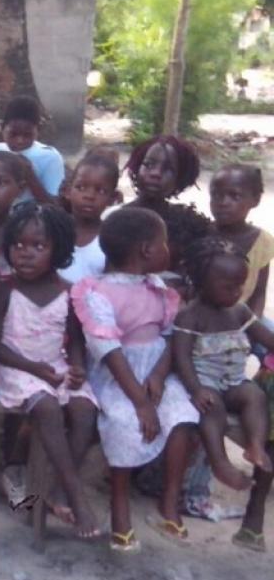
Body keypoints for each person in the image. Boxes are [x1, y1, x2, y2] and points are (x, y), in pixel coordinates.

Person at [71, 207, 199, 551]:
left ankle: (168, 501)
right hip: (117, 378)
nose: (168, 250)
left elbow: (170, 336)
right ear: (146, 250)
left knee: (183, 416)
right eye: (164, 243)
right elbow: (108, 350)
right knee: (124, 424)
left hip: (155, 374)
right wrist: (140, 402)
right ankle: (119, 508)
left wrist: (158, 375)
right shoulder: (96, 291)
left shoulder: (157, 288)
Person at [0, 202, 100, 538]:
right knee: (48, 406)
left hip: (55, 365)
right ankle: (77, 498)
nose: (26, 253)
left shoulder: (68, 292)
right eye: (18, 244)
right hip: (16, 368)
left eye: (38, 246)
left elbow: (76, 340)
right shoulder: (5, 290)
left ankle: (54, 491)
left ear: (59, 249)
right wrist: (33, 368)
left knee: (85, 410)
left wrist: (78, 367)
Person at [173, 237, 274, 491]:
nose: (237, 292)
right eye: (228, 287)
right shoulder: (191, 316)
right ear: (201, 283)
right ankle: (220, 463)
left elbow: (266, 338)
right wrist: (196, 389)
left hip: (234, 381)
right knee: (212, 409)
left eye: (240, 285)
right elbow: (181, 357)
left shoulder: (239, 311)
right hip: (205, 382)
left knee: (255, 396)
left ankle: (255, 446)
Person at [124, 134, 212, 284]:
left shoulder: (189, 226)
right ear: (137, 167)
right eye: (148, 164)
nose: (155, 173)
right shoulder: (114, 217)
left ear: (180, 178)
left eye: (168, 169)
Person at [209, 164, 271, 314]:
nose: (223, 202)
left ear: (256, 200)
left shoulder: (262, 242)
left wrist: (251, 322)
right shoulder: (200, 232)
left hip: (240, 317)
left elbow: (259, 292)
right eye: (216, 195)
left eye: (235, 196)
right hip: (201, 315)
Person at [58, 153, 121, 284]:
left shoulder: (112, 240)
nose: (89, 196)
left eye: (101, 191)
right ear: (67, 191)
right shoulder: (54, 230)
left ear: (113, 198)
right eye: (81, 187)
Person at [0, 95, 64, 198]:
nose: (20, 141)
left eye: (27, 135)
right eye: (13, 134)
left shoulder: (50, 157)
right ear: (2, 128)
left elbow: (55, 204)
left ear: (38, 130)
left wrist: (30, 176)